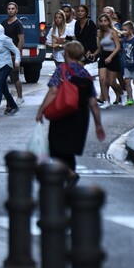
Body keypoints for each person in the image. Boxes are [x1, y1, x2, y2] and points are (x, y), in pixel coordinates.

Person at [36, 41, 106, 189]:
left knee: (55, 149)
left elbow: (53, 91)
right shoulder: (86, 74)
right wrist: (98, 124)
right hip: (80, 117)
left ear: (66, 54)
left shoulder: (62, 70)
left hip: (62, 115)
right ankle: (69, 183)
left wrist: (41, 110)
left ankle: (70, 175)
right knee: (70, 151)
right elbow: (93, 102)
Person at [93, 13, 124, 109]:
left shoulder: (113, 32)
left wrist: (110, 57)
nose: (103, 23)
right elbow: (100, 48)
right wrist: (93, 54)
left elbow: (118, 47)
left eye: (105, 21)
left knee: (111, 82)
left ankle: (123, 93)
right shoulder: (99, 33)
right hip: (103, 56)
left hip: (113, 56)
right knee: (102, 80)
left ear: (108, 22)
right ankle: (106, 100)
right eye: (101, 21)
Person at [2, 2, 25, 105]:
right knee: (3, 76)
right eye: (9, 9)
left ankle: (20, 97)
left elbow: (21, 40)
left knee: (14, 76)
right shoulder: (4, 23)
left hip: (13, 54)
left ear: (16, 10)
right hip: (4, 54)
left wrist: (16, 54)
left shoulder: (18, 24)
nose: (10, 10)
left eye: (12, 9)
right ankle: (6, 96)